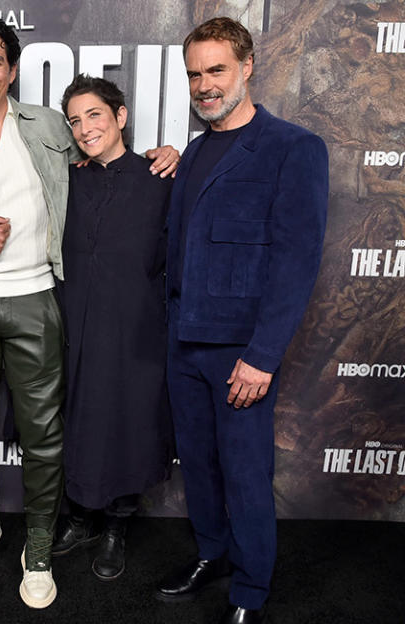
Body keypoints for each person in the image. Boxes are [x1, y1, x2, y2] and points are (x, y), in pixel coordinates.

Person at [0, 16, 179, 609]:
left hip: (41, 299)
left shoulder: (49, 126)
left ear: (12, 69)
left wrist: (164, 153)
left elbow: (107, 156)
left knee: (46, 431)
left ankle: (40, 542)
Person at [155, 18, 328, 624]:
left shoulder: (293, 147)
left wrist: (262, 355)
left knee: (246, 474)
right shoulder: (196, 151)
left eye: (216, 70)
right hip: (183, 343)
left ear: (247, 66)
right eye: (195, 74)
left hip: (241, 354)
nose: (204, 85)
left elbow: (297, 262)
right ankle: (212, 554)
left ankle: (251, 589)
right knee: (197, 467)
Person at [51, 75, 174, 581]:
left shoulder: (161, 176)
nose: (85, 128)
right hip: (74, 322)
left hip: (135, 326)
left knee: (128, 423)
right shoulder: (68, 178)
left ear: (120, 117)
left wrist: (175, 157)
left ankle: (118, 526)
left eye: (94, 115)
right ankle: (80, 518)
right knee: (78, 421)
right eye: (75, 121)